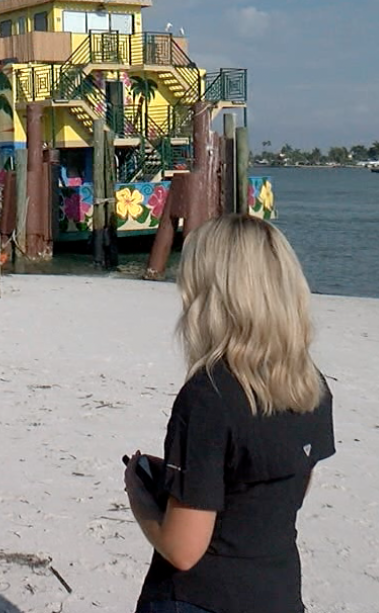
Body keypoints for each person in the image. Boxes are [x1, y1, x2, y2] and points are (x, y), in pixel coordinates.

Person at [124, 214, 334, 613]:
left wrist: (141, 498)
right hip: (277, 590)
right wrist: (185, 477)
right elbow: (281, 486)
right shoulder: (310, 386)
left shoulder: (208, 396)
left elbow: (183, 550)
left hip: (201, 597)